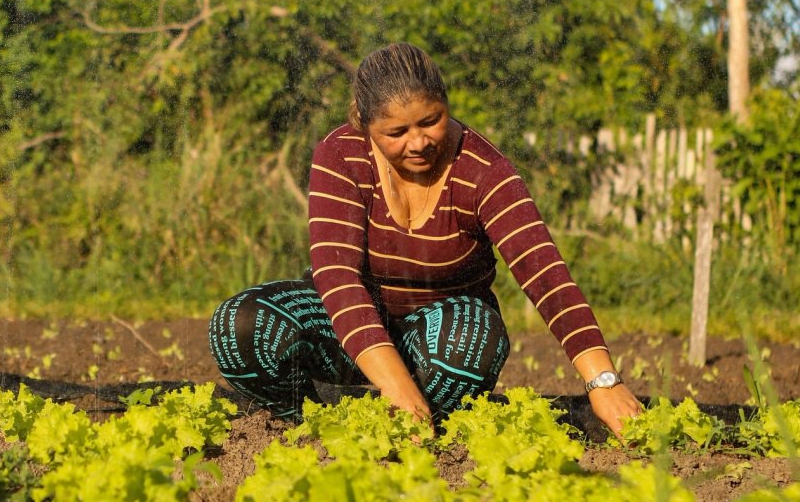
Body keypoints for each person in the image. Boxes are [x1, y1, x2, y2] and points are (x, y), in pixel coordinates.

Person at [208, 42, 642, 437]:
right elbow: (337, 279)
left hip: (440, 333)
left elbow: (545, 274)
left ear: (447, 106)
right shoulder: (341, 155)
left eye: (431, 121)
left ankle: (419, 425)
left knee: (469, 344)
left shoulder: (483, 170)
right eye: (396, 133)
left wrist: (603, 382)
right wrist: (396, 386)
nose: (418, 143)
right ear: (364, 122)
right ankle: (313, 430)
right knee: (240, 328)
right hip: (349, 325)